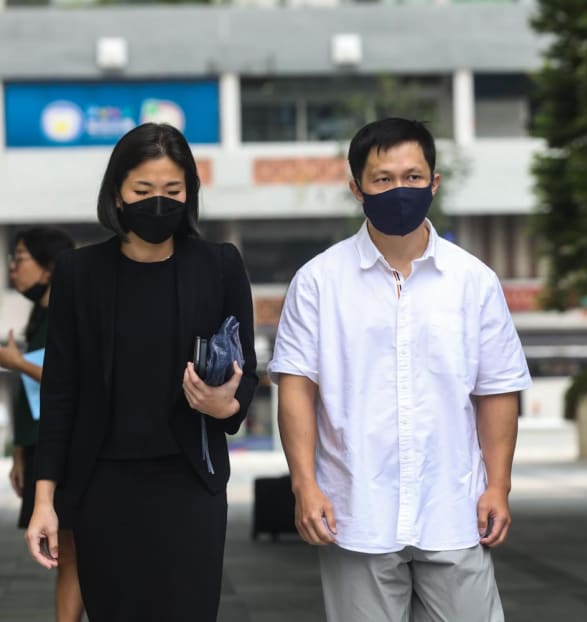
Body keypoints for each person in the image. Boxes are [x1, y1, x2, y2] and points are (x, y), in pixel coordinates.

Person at [268, 117, 531, 622]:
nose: (400, 189)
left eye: (413, 177)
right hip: (355, 508)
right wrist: (305, 484)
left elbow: (497, 390)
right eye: (383, 179)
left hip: (454, 506)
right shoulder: (318, 282)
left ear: (434, 183)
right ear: (357, 189)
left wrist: (498, 485)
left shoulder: (473, 281)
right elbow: (297, 389)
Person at [24, 122, 258, 622]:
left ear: (190, 192)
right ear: (117, 193)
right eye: (143, 190)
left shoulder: (219, 266)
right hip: (104, 489)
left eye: (173, 190)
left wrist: (226, 404)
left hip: (190, 487)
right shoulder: (78, 273)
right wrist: (46, 500)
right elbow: (61, 393)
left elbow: (248, 374)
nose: (159, 202)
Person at [3, 227, 83, 622]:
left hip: (63, 449)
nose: (13, 268)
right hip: (39, 446)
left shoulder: (72, 313)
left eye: (20, 258)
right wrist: (20, 453)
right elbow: (29, 398)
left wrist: (17, 363)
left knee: (67, 550)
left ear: (50, 269)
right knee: (62, 550)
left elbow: (66, 384)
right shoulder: (41, 314)